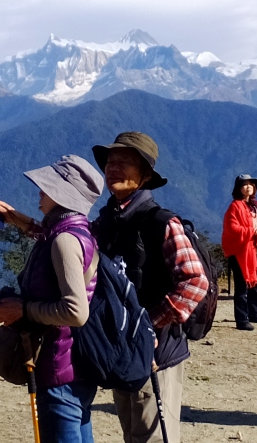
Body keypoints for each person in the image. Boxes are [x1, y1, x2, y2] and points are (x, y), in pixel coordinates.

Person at [90, 132, 209, 443]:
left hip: (156, 351)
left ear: (144, 176)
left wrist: (146, 327)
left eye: (124, 162)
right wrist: (23, 223)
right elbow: (70, 243)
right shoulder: (108, 222)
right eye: (109, 162)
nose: (112, 168)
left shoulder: (161, 223)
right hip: (123, 351)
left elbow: (195, 282)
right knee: (133, 433)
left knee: (155, 437)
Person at [0, 155, 106, 443]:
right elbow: (50, 237)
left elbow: (76, 312)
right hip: (75, 365)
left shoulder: (64, 240)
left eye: (47, 188)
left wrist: (23, 309)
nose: (39, 192)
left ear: (63, 195)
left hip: (58, 368)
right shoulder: (74, 231)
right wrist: (15, 218)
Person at [222, 174, 257, 331]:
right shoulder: (235, 207)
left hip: (254, 249)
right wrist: (252, 231)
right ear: (238, 188)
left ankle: (254, 313)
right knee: (242, 286)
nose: (248, 187)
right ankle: (241, 319)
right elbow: (232, 229)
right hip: (240, 251)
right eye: (244, 184)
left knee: (254, 283)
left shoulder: (255, 205)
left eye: (251, 184)